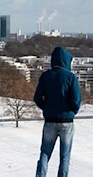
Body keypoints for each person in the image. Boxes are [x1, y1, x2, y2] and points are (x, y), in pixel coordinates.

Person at [34, 47, 82, 177]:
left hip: (50, 120)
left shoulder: (46, 76)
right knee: (65, 156)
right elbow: (77, 100)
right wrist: (72, 110)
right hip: (67, 121)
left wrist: (46, 108)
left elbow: (37, 98)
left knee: (45, 153)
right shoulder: (71, 77)